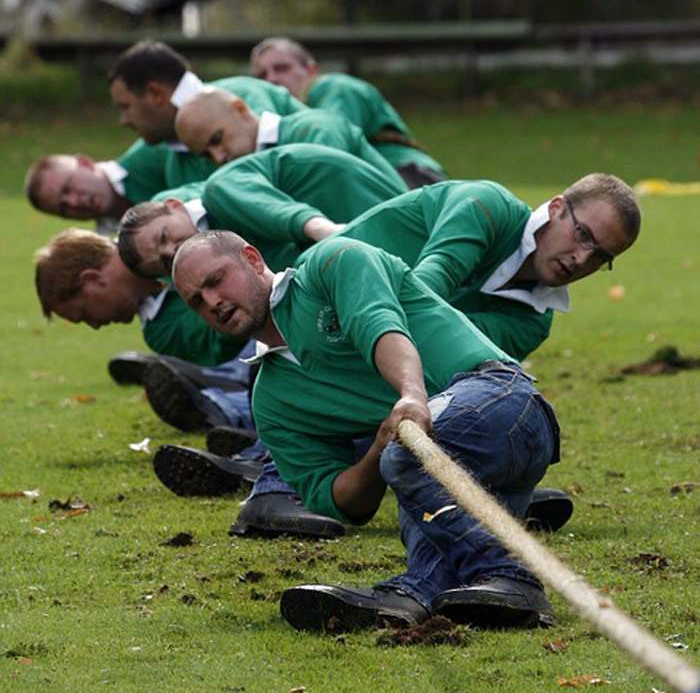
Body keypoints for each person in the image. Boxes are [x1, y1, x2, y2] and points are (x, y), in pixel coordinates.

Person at [172, 230, 562, 632]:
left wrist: (411, 397)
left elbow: (380, 325)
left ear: (253, 259)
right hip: (443, 470)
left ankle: (511, 577)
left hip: (506, 402)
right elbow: (340, 501)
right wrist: (376, 449)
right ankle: (415, 596)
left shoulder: (333, 262)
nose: (213, 302)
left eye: (216, 281)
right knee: (406, 468)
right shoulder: (271, 402)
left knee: (407, 456)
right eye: (197, 301)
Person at [32, 227, 346, 540]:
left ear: (91, 279)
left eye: (86, 314)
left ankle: (233, 422)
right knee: (271, 367)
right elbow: (230, 335)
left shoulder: (163, 229)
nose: (96, 325)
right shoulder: (160, 328)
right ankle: (241, 427)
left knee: (284, 363)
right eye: (195, 299)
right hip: (273, 350)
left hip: (308, 309)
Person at [331, 173, 641, 360]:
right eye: (582, 234)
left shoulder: (532, 325)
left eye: (601, 257)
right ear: (556, 208)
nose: (582, 259)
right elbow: (423, 290)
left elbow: (443, 350)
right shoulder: (486, 206)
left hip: (344, 363)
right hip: (309, 302)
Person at [25, 40, 307, 227]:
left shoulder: (240, 96)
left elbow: (281, 178)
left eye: (126, 107)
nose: (123, 121)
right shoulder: (175, 155)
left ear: (155, 94)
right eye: (63, 208)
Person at [116, 142, 407, 279]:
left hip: (338, 196)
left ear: (174, 205)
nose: (171, 251)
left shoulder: (218, 191)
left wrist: (328, 232)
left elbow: (282, 214)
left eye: (163, 237)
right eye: (164, 262)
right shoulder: (214, 254)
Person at [250, 36, 447, 188]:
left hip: (408, 178)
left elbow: (331, 146)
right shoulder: (290, 120)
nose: (272, 79)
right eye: (262, 75)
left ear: (311, 70)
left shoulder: (334, 86)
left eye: (281, 68)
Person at [174, 85, 407, 193]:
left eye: (216, 139)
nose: (218, 157)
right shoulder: (248, 173)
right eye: (205, 154)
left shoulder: (315, 129)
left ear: (240, 108)